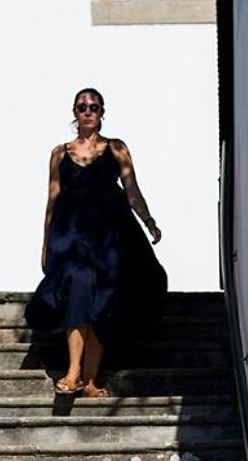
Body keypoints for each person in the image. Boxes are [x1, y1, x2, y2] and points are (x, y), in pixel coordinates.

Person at [25, 87, 167, 397]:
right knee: (77, 295)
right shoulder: (60, 153)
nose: (87, 111)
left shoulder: (116, 149)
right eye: (81, 107)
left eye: (93, 106)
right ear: (74, 113)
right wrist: (45, 243)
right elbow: (52, 199)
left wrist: (149, 221)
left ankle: (90, 381)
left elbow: (132, 192)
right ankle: (73, 371)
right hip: (72, 238)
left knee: (102, 303)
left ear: (102, 112)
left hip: (108, 240)